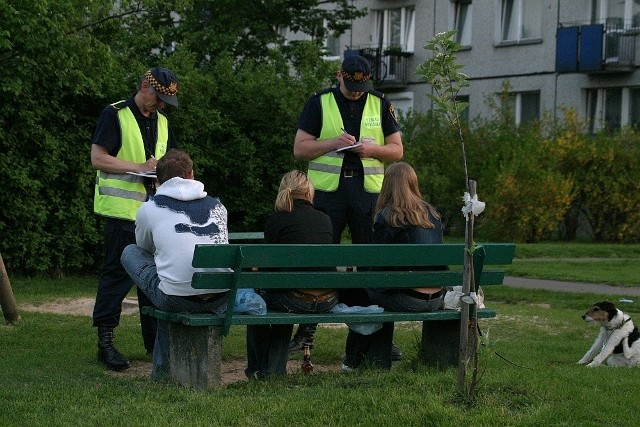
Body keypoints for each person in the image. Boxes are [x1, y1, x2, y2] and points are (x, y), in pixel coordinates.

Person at [291, 54, 403, 355]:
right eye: (352, 86)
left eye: (361, 87)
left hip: (368, 193)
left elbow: (397, 150)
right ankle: (307, 331)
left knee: (370, 260)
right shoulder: (319, 102)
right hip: (327, 193)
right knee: (320, 258)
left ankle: (376, 334)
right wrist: (332, 144)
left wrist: (372, 149)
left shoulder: (380, 103)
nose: (356, 92)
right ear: (339, 75)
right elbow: (299, 149)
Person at [91, 67, 180, 371]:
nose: (162, 105)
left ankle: (154, 342)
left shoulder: (163, 122)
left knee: (154, 277)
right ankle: (105, 342)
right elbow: (97, 158)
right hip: (122, 212)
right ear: (145, 87)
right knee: (116, 276)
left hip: (155, 213)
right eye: (159, 98)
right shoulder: (115, 114)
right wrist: (139, 167)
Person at [120, 149, 230, 380]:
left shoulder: (149, 208)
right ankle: (162, 372)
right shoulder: (218, 207)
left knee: (131, 252)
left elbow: (144, 249)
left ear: (158, 180)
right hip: (220, 297)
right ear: (192, 174)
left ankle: (162, 372)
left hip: (175, 298)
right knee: (167, 278)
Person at [343, 162, 446, 370]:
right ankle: (377, 354)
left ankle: (354, 361)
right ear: (413, 183)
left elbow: (379, 269)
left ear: (387, 186)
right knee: (372, 294)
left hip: (408, 299)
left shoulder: (388, 217)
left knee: (363, 296)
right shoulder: (432, 215)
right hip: (436, 298)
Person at [245, 170, 336, 379]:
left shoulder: (276, 219)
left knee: (258, 302)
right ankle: (273, 371)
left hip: (293, 297)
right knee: (283, 294)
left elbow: (270, 267)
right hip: (326, 298)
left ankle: (258, 370)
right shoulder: (325, 219)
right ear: (309, 192)